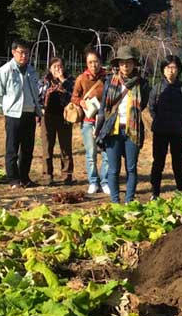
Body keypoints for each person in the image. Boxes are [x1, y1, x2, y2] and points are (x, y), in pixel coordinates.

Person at [95, 46, 150, 203]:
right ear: (118, 65)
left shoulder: (142, 84)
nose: (125, 66)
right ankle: (115, 202)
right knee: (113, 169)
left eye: (129, 62)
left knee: (131, 168)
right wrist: (98, 128)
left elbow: (143, 104)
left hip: (132, 130)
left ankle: (129, 200)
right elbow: (104, 105)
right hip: (113, 129)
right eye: (122, 63)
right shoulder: (109, 82)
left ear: (134, 64)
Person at [0, 39, 42, 188]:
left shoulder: (32, 70)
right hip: (13, 115)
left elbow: (36, 92)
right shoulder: (5, 70)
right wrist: (3, 110)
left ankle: (25, 177)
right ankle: (13, 179)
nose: (24, 56)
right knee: (12, 148)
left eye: (27, 53)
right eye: (21, 53)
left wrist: (37, 110)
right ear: (14, 52)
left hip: (29, 113)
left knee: (27, 148)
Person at [148, 55, 182, 198]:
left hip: (178, 131)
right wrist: (161, 120)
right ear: (163, 70)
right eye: (167, 68)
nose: (170, 71)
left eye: (173, 67)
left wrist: (178, 120)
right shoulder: (157, 87)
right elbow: (152, 108)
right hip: (160, 130)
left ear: (178, 70)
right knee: (158, 163)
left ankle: (181, 193)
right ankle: (155, 193)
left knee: (178, 164)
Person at [71, 49, 109, 194]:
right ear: (87, 64)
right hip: (88, 120)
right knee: (91, 153)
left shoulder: (107, 78)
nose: (94, 65)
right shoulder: (81, 78)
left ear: (100, 62)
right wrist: (81, 102)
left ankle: (105, 181)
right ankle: (93, 181)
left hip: (104, 120)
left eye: (96, 62)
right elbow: (74, 96)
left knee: (106, 152)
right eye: (90, 62)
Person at [38, 57, 75, 185]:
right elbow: (38, 97)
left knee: (65, 147)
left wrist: (62, 81)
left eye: (60, 66)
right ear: (50, 68)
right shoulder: (44, 81)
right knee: (47, 147)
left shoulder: (69, 80)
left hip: (65, 117)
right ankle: (47, 175)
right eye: (55, 67)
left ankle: (67, 175)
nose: (58, 69)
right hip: (47, 116)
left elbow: (74, 95)